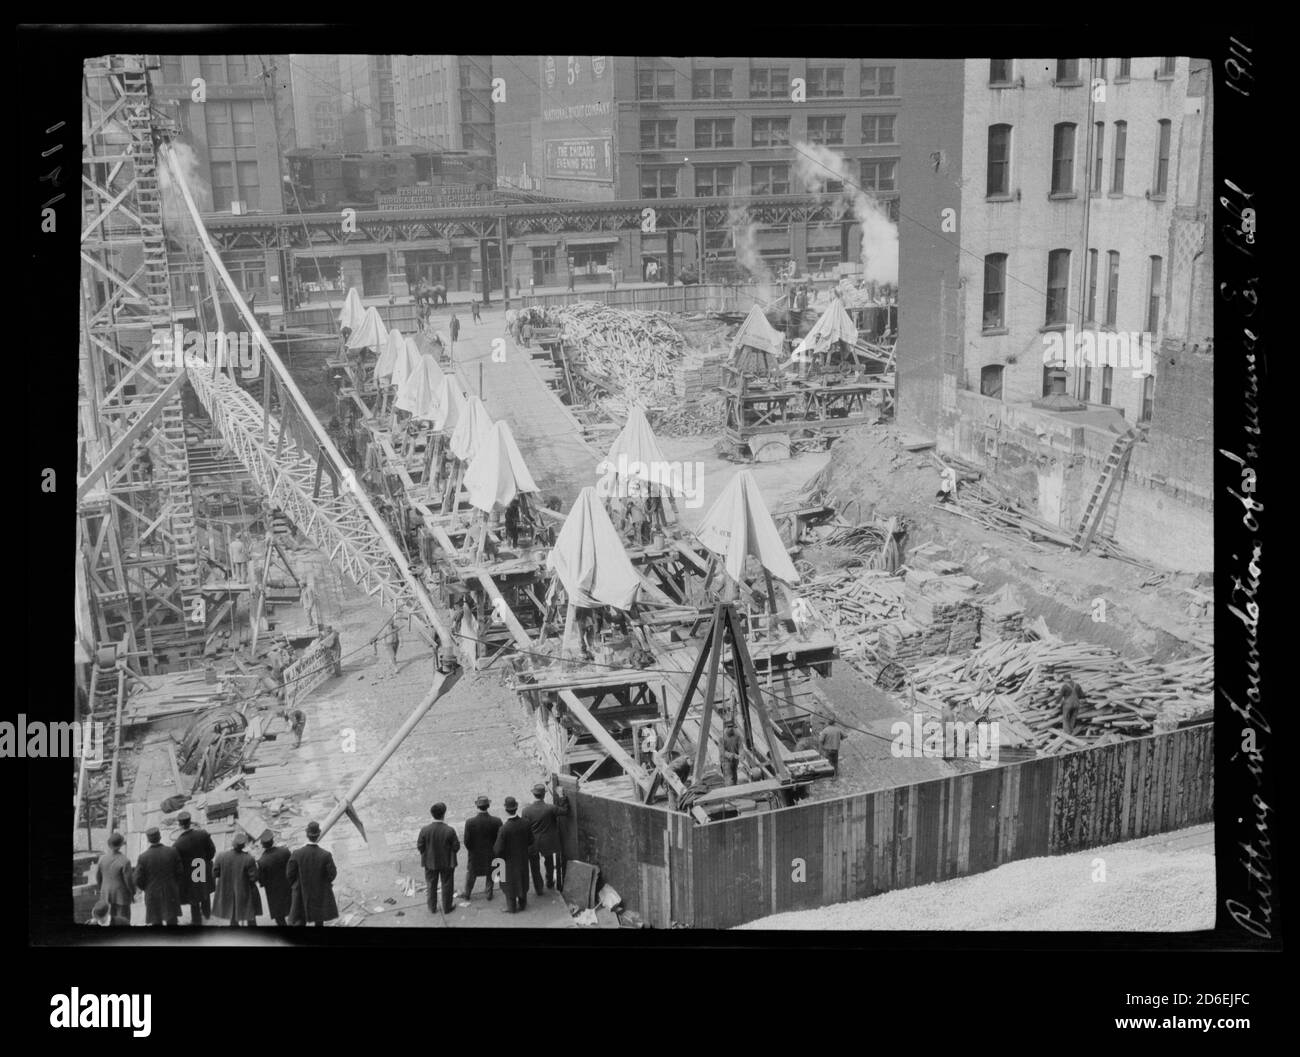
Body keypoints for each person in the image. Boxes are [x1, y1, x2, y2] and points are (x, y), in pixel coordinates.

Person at [287, 821, 338, 926]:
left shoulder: (297, 853)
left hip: (302, 892)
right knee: (319, 919)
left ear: (307, 835)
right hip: (320, 891)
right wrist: (324, 883)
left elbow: (290, 874)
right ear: (318, 835)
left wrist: (296, 885)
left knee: (301, 918)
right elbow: (332, 874)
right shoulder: (326, 855)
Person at [521, 782, 569, 894]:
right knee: (549, 863)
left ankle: (538, 888)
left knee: (534, 866)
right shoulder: (550, 808)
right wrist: (561, 796)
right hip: (548, 841)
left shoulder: (526, 811)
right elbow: (565, 811)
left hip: (532, 843)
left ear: (534, 795)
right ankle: (550, 883)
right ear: (543, 795)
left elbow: (525, 828)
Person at [416, 802, 460, 917]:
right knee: (447, 885)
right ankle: (447, 907)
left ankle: (432, 907)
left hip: (430, 862)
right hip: (447, 863)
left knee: (431, 885)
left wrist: (428, 855)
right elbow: (456, 847)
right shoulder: (449, 830)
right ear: (443, 814)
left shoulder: (425, 830)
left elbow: (420, 846)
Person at [173, 810, 216, 925]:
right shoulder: (202, 834)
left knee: (194, 897)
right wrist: (205, 860)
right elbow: (212, 851)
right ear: (190, 821)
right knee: (204, 890)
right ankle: (207, 914)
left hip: (190, 873)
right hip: (202, 866)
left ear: (180, 825)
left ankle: (196, 920)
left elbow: (178, 864)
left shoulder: (178, 844)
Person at [493, 796, 535, 913]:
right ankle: (522, 904)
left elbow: (497, 850)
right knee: (522, 880)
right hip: (522, 859)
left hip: (508, 862)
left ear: (506, 810)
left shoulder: (504, 829)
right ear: (516, 808)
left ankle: (511, 907)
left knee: (509, 884)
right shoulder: (526, 823)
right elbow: (531, 840)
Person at [134, 827, 183, 926]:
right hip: (170, 891)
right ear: (160, 837)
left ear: (148, 840)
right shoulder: (172, 851)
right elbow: (180, 872)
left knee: (156, 921)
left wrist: (146, 887)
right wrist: (174, 883)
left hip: (152, 893)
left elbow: (137, 879)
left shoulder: (143, 857)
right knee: (172, 920)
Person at [214, 832, 262, 927]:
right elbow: (254, 878)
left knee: (233, 918)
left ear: (233, 843)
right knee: (250, 916)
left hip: (228, 892)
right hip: (245, 892)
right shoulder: (248, 858)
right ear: (244, 846)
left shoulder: (221, 856)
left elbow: (215, 873)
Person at [461, 796, 503, 902]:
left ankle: (467, 893)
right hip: (491, 854)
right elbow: (500, 839)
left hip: (475, 854)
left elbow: (467, 841)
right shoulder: (497, 821)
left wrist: (472, 850)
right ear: (488, 806)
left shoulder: (470, 822)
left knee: (471, 874)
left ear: (477, 806)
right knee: (490, 873)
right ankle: (489, 893)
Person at [96, 832, 135, 924]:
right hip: (121, 895)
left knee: (108, 920)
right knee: (123, 920)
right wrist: (132, 893)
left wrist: (102, 889)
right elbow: (128, 881)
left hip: (106, 894)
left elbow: (98, 877)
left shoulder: (102, 859)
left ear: (109, 845)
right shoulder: (125, 861)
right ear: (121, 845)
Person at [257, 830, 292, 926]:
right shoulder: (285, 852)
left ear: (262, 845)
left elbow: (262, 882)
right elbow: (293, 869)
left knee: (280, 919)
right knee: (293, 912)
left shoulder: (262, 861)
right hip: (289, 889)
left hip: (274, 895)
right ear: (273, 841)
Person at [720, 721, 743, 785]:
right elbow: (722, 751)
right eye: (729, 727)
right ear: (726, 728)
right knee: (729, 778)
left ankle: (735, 790)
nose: (731, 729)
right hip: (725, 760)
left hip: (735, 760)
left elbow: (740, 747)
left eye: (732, 727)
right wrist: (732, 755)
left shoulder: (738, 736)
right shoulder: (722, 737)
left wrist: (741, 755)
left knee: (734, 776)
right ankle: (729, 790)